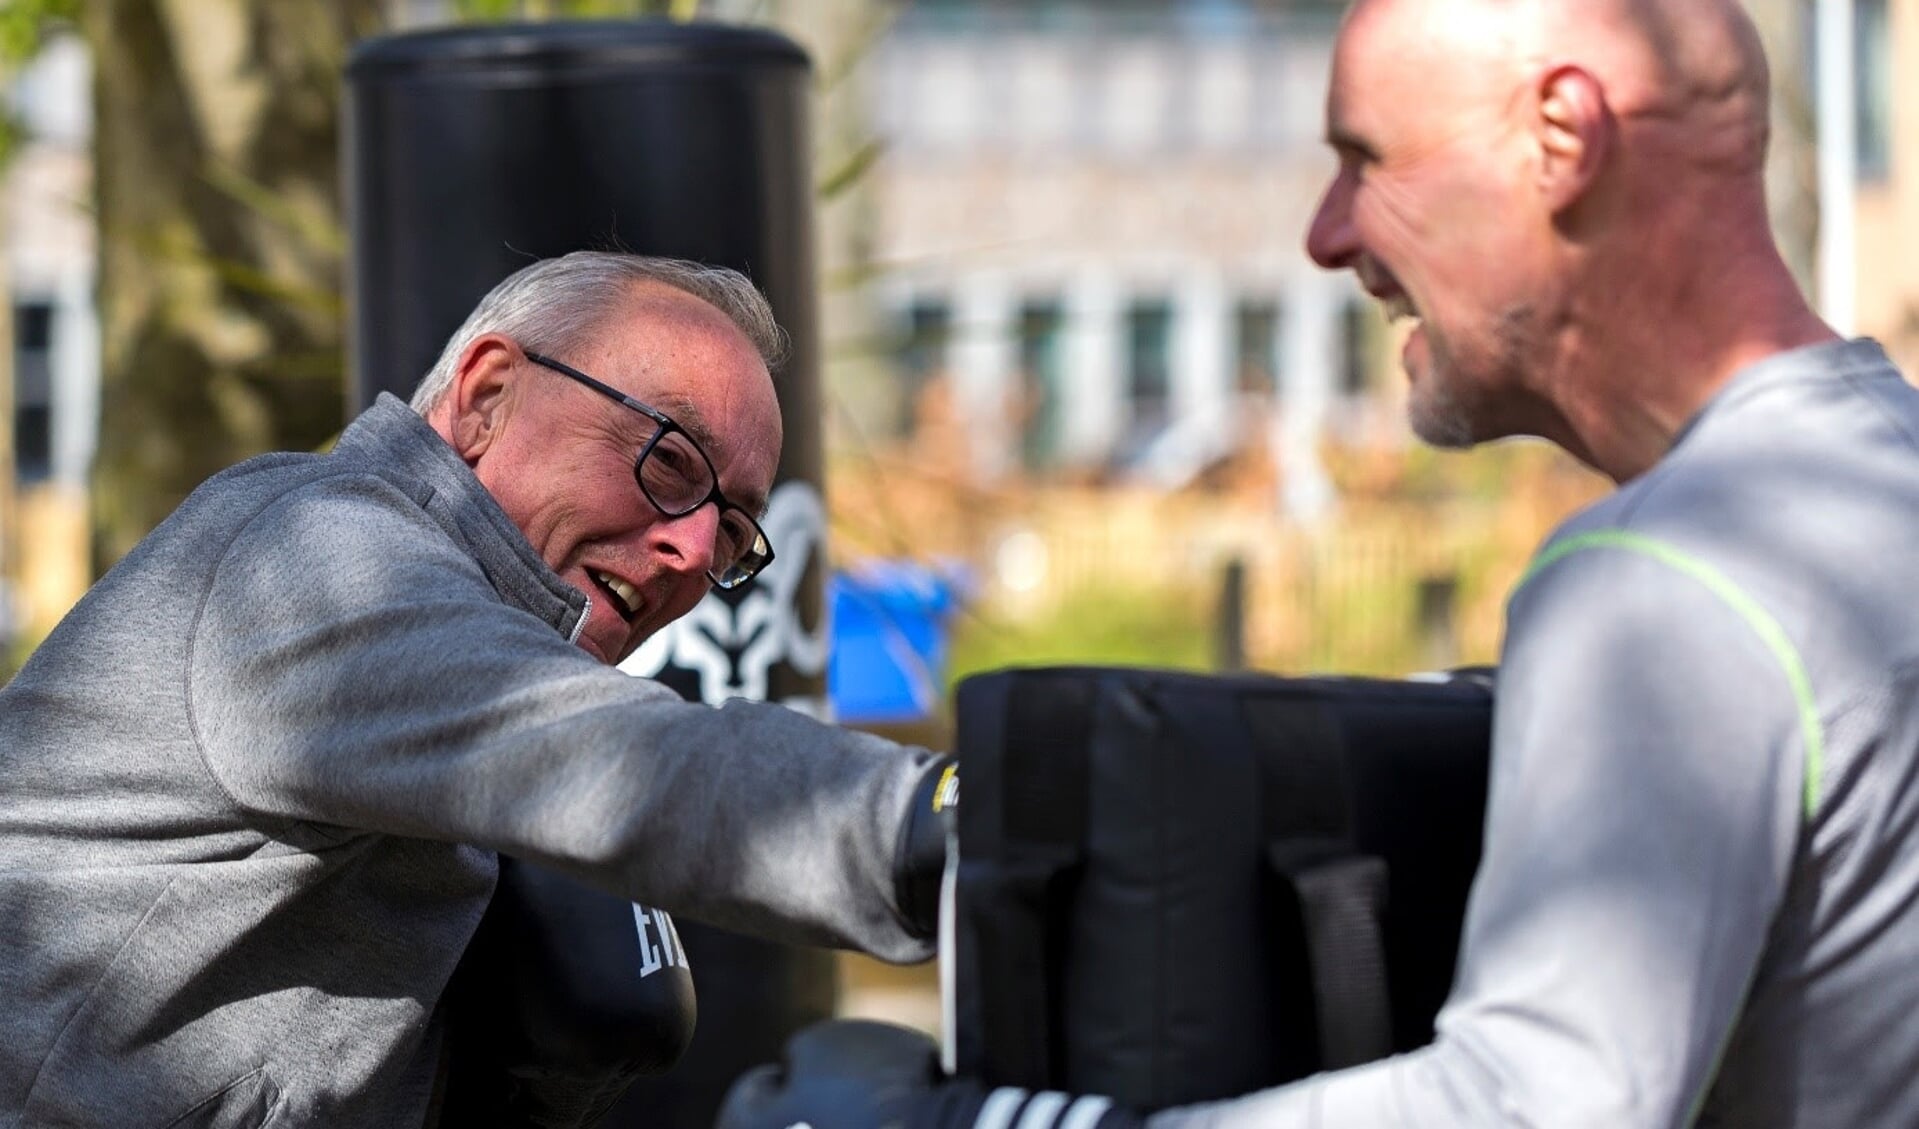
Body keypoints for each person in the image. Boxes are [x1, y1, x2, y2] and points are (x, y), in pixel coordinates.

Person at [716, 0, 1919, 1125]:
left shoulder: (1665, 579)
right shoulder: (1880, 478)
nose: (1324, 233)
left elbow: (1532, 1101)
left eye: (1367, 160)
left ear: (1560, 135)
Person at [0, 251, 950, 1127]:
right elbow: (619, 761)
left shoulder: (456, 736)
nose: (695, 550)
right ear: (487, 394)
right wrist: (938, 820)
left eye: (736, 532)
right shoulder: (308, 560)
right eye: (669, 461)